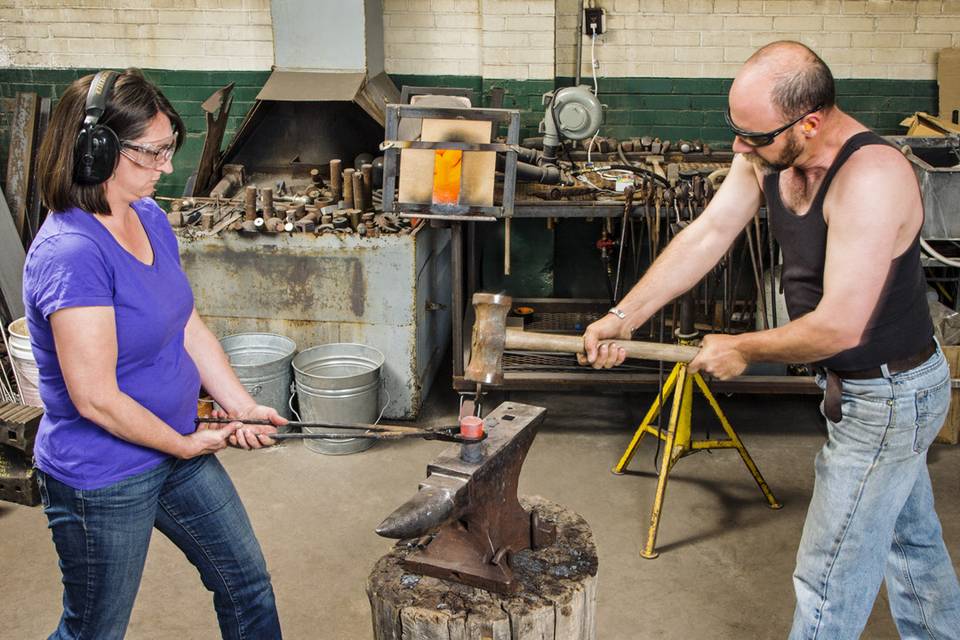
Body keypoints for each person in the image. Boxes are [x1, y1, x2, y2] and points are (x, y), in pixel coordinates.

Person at [581, 41, 960, 638]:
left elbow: (840, 325)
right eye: (736, 131)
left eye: (752, 136)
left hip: (889, 397)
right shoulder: (767, 154)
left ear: (809, 122)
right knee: (912, 547)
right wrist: (624, 316)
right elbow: (710, 233)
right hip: (856, 386)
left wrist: (744, 346)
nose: (739, 147)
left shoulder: (872, 177)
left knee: (827, 578)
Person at [24, 69, 286, 639]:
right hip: (105, 475)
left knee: (247, 584)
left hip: (175, 449)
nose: (166, 167)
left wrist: (239, 404)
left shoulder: (146, 216)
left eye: (170, 149)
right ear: (96, 151)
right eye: (152, 153)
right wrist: (186, 442)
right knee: (93, 630)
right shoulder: (71, 253)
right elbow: (96, 399)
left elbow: (185, 324)